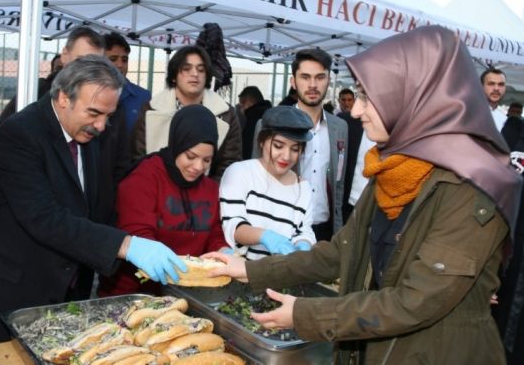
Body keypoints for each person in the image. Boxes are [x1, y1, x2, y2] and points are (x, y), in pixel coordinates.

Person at [205, 26, 521, 364]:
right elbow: (339, 254)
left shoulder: (471, 189)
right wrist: (251, 271)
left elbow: (414, 302)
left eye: (368, 98)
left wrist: (308, 314)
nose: (356, 111)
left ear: (415, 98)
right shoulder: (391, 170)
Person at [0, 55, 187, 352]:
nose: (101, 125)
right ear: (63, 98)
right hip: (4, 293)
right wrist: (126, 245)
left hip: (59, 294)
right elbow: (44, 217)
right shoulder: (19, 133)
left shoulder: (89, 137)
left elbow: (94, 208)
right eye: (94, 113)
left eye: (108, 115)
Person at [99, 105, 228, 296]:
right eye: (190, 156)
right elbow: (137, 235)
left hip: (187, 292)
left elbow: (215, 232)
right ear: (177, 145)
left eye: (207, 160)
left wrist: (223, 250)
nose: (198, 167)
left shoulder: (210, 188)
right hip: (133, 293)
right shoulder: (144, 177)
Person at [0, 26, 105, 152]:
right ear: (64, 55)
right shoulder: (36, 90)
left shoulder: (105, 106)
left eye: (94, 64)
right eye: (80, 60)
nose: (86, 70)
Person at [131, 45, 242, 181]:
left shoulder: (226, 114)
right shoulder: (151, 109)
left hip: (205, 195)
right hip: (156, 189)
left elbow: (229, 164)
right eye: (186, 69)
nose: (195, 74)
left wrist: (208, 192)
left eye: (201, 69)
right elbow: (138, 157)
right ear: (173, 76)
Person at [220, 106, 316, 260]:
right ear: (262, 141)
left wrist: (303, 244)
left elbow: (304, 230)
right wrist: (265, 236)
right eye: (278, 146)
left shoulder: (303, 188)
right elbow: (233, 226)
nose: (286, 156)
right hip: (240, 270)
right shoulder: (239, 173)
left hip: (281, 275)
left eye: (295, 149)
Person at [287, 48, 347, 241]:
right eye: (305, 77)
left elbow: (339, 182)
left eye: (320, 77)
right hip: (285, 228)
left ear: (328, 81)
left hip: (325, 231)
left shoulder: (340, 128)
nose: (313, 85)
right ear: (293, 82)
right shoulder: (270, 124)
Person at [104, 32, 151, 133]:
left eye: (124, 60)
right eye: (113, 59)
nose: (120, 64)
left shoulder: (143, 97)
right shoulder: (88, 94)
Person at [337, 88, 364, 221]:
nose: (347, 103)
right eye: (344, 100)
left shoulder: (362, 124)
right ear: (339, 101)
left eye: (349, 100)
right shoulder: (336, 121)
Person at [237, 86, 272, 160]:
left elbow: (247, 148)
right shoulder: (271, 114)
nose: (241, 110)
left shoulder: (252, 117)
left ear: (247, 102)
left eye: (241, 105)